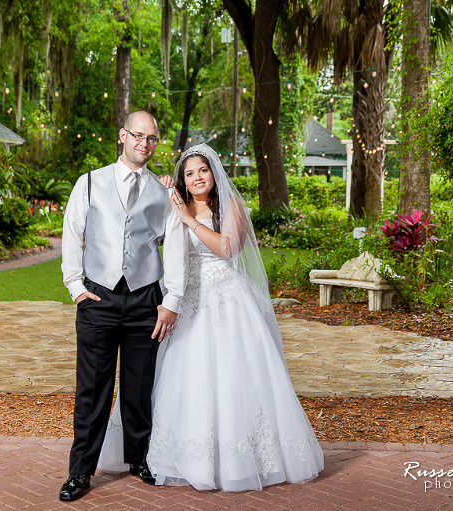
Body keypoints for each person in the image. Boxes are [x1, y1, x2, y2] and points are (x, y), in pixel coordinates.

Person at [98, 143, 324, 491]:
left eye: (202, 170)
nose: (197, 177)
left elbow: (228, 248)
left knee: (235, 377)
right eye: (189, 173)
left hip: (229, 301)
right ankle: (173, 457)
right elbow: (146, 234)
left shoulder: (230, 206)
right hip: (186, 301)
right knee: (183, 377)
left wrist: (190, 220)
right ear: (182, 180)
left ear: (213, 173)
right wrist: (161, 195)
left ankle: (239, 460)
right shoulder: (176, 205)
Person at [59, 111, 187, 501]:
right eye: (137, 135)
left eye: (151, 138)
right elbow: (72, 232)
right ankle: (80, 471)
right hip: (98, 298)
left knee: (139, 387)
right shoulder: (89, 182)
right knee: (92, 390)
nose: (144, 143)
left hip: (146, 299)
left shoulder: (164, 192)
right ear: (122, 136)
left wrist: (172, 301)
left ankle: (140, 458)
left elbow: (177, 246)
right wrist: (75, 286)